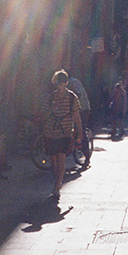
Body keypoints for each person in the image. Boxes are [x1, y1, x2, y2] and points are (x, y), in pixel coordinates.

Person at [41, 70, 82, 204]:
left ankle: (57, 186)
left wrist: (79, 131)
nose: (60, 86)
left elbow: (76, 115)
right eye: (58, 84)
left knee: (61, 160)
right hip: (51, 132)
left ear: (66, 83)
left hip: (65, 132)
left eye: (62, 83)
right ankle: (57, 180)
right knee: (53, 161)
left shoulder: (72, 98)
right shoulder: (51, 97)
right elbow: (45, 112)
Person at [67, 75, 91, 167]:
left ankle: (87, 157)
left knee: (82, 130)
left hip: (83, 108)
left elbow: (78, 94)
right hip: (74, 109)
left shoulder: (74, 82)